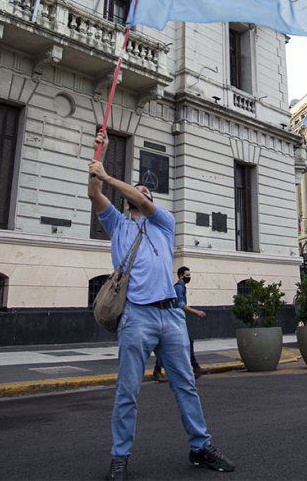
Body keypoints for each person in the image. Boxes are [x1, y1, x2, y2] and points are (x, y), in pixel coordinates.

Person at [88, 132, 233, 480]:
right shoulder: (117, 224)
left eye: (146, 193)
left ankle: (200, 447)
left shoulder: (163, 224)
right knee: (127, 391)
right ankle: (119, 457)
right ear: (125, 203)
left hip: (170, 315)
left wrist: (108, 177)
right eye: (136, 194)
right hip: (136, 315)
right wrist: (101, 156)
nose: (142, 196)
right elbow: (94, 193)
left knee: (185, 385)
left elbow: (135, 198)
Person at [153, 266, 206, 381]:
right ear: (181, 275)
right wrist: (197, 312)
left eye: (189, 275)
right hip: (174, 319)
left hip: (174, 319)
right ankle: (194, 367)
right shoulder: (179, 287)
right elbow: (181, 305)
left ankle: (194, 368)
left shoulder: (181, 287)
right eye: (187, 275)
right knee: (183, 343)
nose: (189, 277)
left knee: (177, 343)